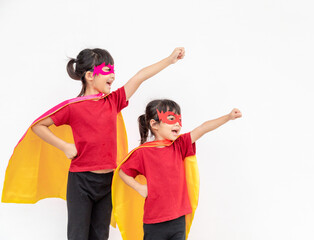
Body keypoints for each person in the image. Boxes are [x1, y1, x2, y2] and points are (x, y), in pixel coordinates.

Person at [2, 47, 185, 240]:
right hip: (81, 182)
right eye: (107, 71)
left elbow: (140, 76)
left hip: (107, 182)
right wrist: (65, 146)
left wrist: (169, 60)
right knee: (78, 235)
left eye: (113, 71)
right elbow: (38, 126)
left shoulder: (113, 101)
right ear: (90, 75)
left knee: (100, 235)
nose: (113, 76)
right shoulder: (72, 107)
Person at [113, 99, 242, 240]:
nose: (177, 123)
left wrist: (228, 117)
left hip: (178, 220)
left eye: (179, 119)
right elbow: (123, 172)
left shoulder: (180, 145)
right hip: (154, 223)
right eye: (171, 119)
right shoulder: (142, 153)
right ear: (154, 124)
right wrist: (139, 188)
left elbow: (203, 128)